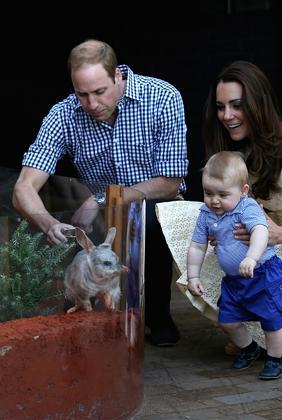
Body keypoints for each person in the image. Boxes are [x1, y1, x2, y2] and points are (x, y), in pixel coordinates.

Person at [12, 39, 188, 346]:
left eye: (100, 92)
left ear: (118, 76)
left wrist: (101, 198)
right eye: (82, 94)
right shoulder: (63, 115)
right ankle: (92, 319)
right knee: (74, 239)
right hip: (98, 217)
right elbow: (23, 188)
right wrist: (47, 222)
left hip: (157, 205)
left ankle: (157, 314)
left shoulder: (162, 96)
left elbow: (170, 182)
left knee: (146, 219)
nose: (91, 104)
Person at [155, 60, 282, 358]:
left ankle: (269, 333)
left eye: (236, 105)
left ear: (258, 103)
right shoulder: (234, 153)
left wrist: (280, 234)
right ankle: (244, 332)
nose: (226, 116)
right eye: (220, 106)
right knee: (190, 218)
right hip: (262, 248)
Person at [187, 151, 282, 379]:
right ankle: (250, 349)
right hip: (234, 281)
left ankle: (274, 359)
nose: (214, 200)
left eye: (222, 194)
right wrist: (193, 276)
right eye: (208, 193)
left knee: (271, 322)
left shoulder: (247, 208)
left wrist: (251, 257)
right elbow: (198, 245)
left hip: (263, 274)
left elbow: (260, 231)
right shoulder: (206, 213)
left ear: (243, 191)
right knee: (228, 321)